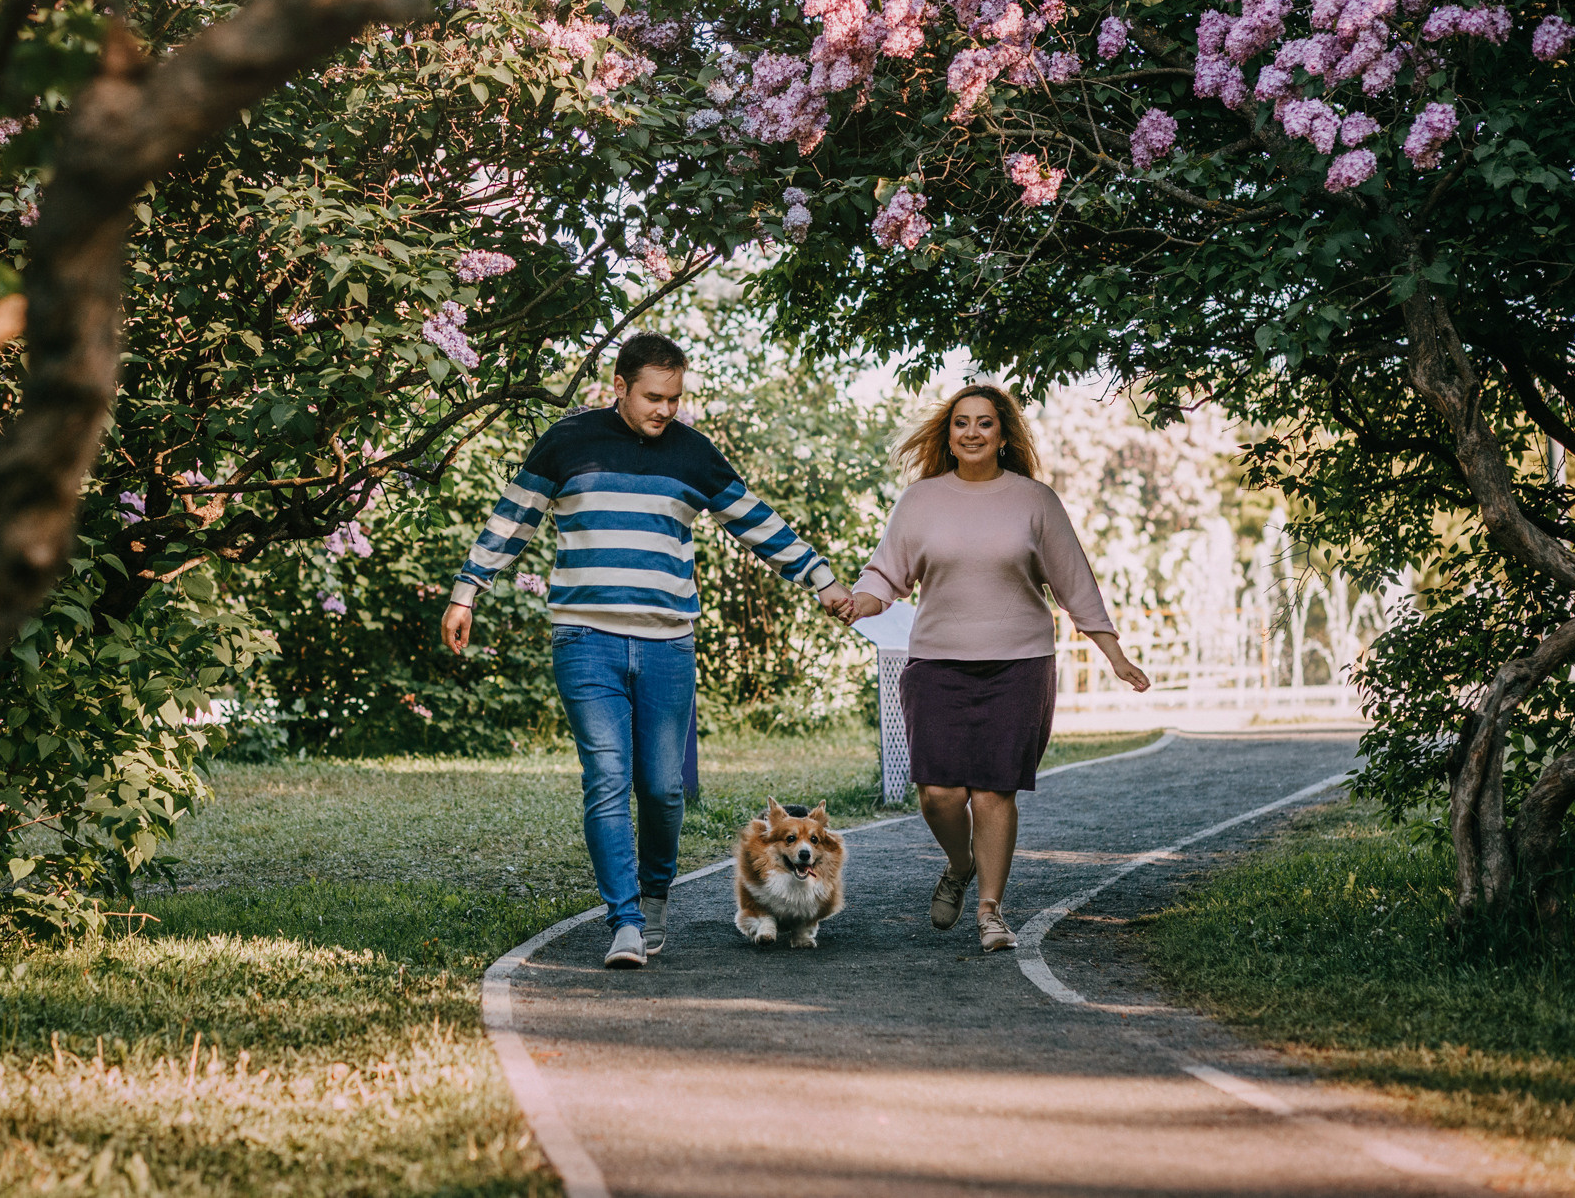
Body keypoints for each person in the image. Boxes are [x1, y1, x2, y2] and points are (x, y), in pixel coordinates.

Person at [442, 334, 855, 969]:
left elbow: (754, 520)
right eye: (653, 397)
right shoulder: (568, 441)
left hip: (667, 644)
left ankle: (655, 892)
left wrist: (820, 578)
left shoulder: (692, 453)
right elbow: (513, 516)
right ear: (620, 386)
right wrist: (467, 590)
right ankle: (625, 920)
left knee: (662, 791)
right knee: (607, 778)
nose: (665, 410)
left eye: (674, 398)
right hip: (585, 639)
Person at [848, 383, 1149, 953]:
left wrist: (1115, 655)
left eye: (984, 422)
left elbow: (1075, 583)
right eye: (961, 422)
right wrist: (858, 602)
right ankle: (960, 865)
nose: (972, 432)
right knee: (938, 793)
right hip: (938, 663)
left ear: (1003, 435)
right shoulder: (920, 501)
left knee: (992, 792)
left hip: (1019, 665)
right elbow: (886, 574)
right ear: (948, 435)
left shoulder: (1035, 501)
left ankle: (990, 911)